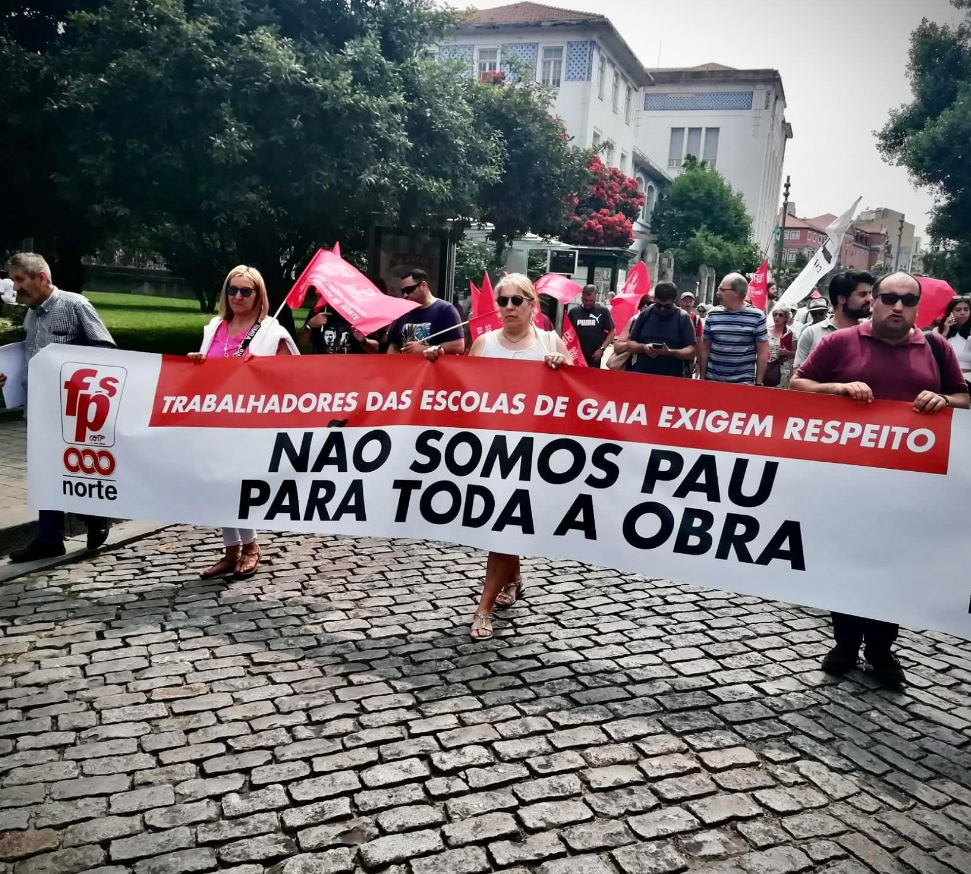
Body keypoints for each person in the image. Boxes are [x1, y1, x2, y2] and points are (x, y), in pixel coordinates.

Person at [791, 272, 970, 686]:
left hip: (912, 483)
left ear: (918, 307)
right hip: (846, 477)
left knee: (895, 563)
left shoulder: (935, 346)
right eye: (888, 297)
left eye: (908, 300)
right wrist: (837, 389)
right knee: (844, 558)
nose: (897, 306)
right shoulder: (840, 341)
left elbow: (963, 397)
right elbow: (798, 384)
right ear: (872, 301)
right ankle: (845, 643)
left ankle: (881, 648)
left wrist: (942, 399)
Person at [424, 274, 569, 641]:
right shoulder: (485, 344)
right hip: (491, 452)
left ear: (532, 304)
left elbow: (577, 401)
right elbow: (461, 391)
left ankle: (483, 607)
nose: (507, 308)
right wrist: (435, 363)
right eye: (501, 301)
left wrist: (563, 369)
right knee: (503, 527)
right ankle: (514, 578)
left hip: (534, 455)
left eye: (515, 301)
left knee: (505, 528)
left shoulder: (551, 343)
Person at [0, 253, 116, 563]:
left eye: (19, 279)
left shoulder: (75, 305)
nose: (15, 287)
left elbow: (105, 347)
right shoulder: (32, 313)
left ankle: (94, 515)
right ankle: (49, 539)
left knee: (73, 467)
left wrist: (67, 366)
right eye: (12, 280)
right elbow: (30, 353)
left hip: (72, 410)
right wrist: (8, 375)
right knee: (45, 472)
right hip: (37, 408)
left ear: (41, 278)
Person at [190, 265, 299, 580]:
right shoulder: (213, 327)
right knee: (218, 482)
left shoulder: (271, 331)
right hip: (214, 417)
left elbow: (295, 377)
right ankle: (231, 550)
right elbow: (205, 367)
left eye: (245, 291)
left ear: (258, 295)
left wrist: (263, 368)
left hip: (251, 420)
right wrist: (196, 362)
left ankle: (250, 546)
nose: (237, 296)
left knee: (236, 482)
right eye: (232, 290)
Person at [698, 273, 769, 386]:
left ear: (736, 292)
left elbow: (762, 353)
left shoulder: (757, 316)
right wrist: (702, 378)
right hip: (713, 382)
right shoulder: (712, 315)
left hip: (743, 384)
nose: (718, 293)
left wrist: (759, 383)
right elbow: (705, 348)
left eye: (722, 289)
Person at [793, 271, 873, 369]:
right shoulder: (811, 333)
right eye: (862, 294)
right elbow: (797, 380)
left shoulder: (872, 331)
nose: (869, 299)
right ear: (841, 299)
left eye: (870, 293)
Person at [624, 282, 697, 378]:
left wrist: (670, 352)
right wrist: (644, 347)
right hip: (643, 375)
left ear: (674, 301)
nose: (662, 309)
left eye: (667, 306)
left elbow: (692, 350)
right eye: (658, 305)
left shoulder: (682, 318)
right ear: (654, 299)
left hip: (672, 377)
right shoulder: (645, 314)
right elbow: (630, 344)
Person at [388, 268, 464, 355]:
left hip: (432, 367)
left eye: (409, 290)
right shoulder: (404, 313)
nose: (405, 295)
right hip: (407, 367)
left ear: (423, 285)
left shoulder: (445, 310)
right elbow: (394, 345)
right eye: (403, 291)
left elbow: (459, 346)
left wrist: (424, 349)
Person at [567, 284, 615, 366]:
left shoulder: (602, 311)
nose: (588, 303)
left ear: (595, 298)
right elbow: (567, 332)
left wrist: (601, 349)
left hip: (594, 356)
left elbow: (612, 331)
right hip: (576, 355)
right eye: (585, 300)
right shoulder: (574, 312)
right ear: (582, 297)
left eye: (591, 301)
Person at [300, 305, 378, 354]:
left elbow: (375, 349)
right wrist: (309, 326)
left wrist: (363, 341)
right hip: (322, 369)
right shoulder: (320, 309)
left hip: (353, 370)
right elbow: (302, 342)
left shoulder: (360, 312)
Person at [605, 293, 652, 370]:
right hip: (633, 366)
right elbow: (617, 347)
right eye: (647, 307)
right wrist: (634, 345)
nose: (651, 310)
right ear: (640, 308)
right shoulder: (634, 321)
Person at [937, 296, 971, 385]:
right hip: (948, 379)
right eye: (958, 310)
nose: (963, 313)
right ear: (950, 312)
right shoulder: (938, 331)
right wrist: (945, 332)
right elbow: (935, 355)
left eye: (966, 309)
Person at [765, 303, 795, 387]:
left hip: (783, 371)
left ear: (786, 317)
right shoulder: (765, 331)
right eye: (775, 314)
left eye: (780, 315)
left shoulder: (791, 333)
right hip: (766, 368)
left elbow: (796, 353)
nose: (777, 317)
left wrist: (786, 352)